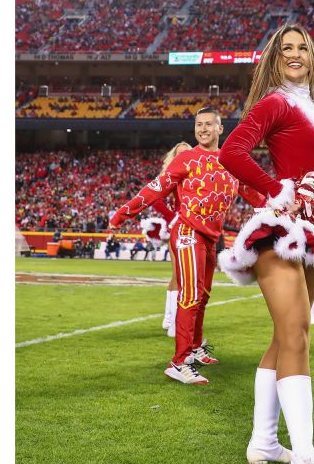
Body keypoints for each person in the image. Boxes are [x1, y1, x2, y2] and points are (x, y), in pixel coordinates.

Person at [216, 23, 314, 464]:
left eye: (303, 48)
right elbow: (232, 151)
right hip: (282, 231)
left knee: (286, 338)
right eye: (286, 49)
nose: (295, 54)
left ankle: (265, 442)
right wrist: (276, 191)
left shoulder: (311, 107)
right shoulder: (276, 102)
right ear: (273, 60)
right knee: (295, 335)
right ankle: (305, 460)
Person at [109, 109, 262, 383]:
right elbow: (156, 187)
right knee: (190, 295)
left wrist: (281, 205)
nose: (202, 129)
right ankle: (178, 363)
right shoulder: (187, 159)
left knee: (202, 296)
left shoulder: (233, 162)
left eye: (208, 124)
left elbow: (253, 193)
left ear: (220, 129)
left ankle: (194, 348)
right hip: (188, 232)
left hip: (211, 237)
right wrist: (122, 213)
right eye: (198, 125)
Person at [150, 142, 192, 336]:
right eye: (180, 154)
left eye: (187, 153)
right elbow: (154, 198)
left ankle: (173, 318)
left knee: (188, 277)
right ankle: (173, 321)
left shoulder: (198, 174)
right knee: (179, 275)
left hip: (199, 229)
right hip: (179, 228)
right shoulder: (171, 175)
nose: (184, 156)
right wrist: (171, 216)